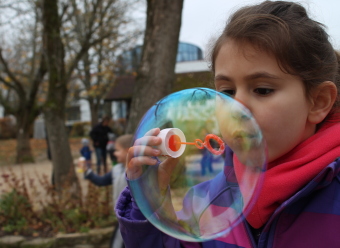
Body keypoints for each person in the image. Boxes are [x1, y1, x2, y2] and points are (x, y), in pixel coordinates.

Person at [115, 1, 340, 247]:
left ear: (318, 102)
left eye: (262, 89)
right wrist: (152, 203)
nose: (236, 109)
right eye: (227, 91)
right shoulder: (202, 202)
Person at [83, 134, 133, 248]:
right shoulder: (116, 170)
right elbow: (101, 181)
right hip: (121, 218)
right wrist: (88, 172)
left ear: (127, 151)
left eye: (117, 150)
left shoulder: (138, 172)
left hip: (132, 219)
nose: (114, 153)